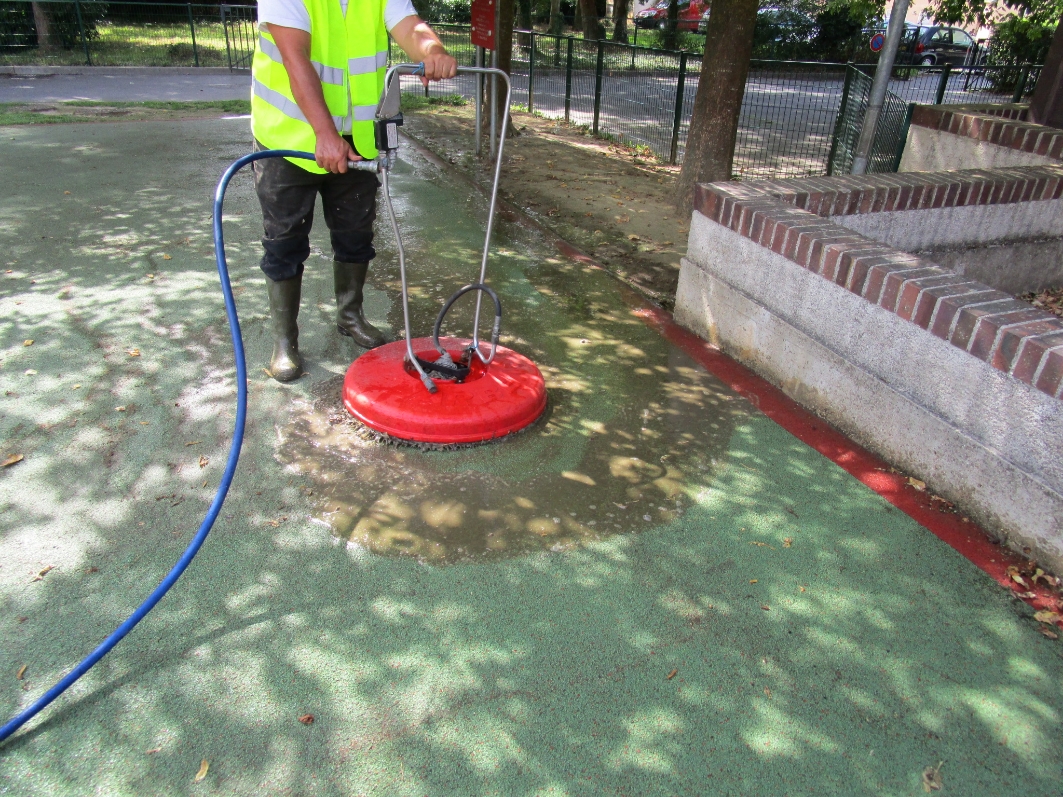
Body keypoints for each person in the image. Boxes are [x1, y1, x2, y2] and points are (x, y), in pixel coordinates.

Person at [251, 0, 457, 382]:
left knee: (356, 234)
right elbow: (295, 60)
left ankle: (350, 315)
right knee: (284, 241)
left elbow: (410, 27)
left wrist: (433, 52)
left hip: (358, 138)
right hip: (289, 138)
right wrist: (324, 134)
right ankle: (285, 340)